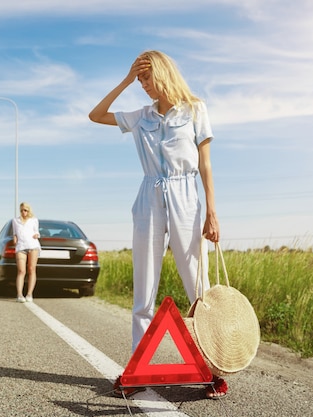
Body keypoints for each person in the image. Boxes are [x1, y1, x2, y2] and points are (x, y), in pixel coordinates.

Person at [88, 50, 225, 399]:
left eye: (147, 78)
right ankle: (137, 370)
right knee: (143, 290)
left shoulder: (195, 110)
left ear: (164, 74)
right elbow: (95, 115)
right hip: (148, 198)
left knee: (198, 288)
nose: (145, 86)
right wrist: (124, 79)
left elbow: (206, 166)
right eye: (140, 80)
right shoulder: (140, 116)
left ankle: (213, 371)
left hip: (186, 199)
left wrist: (211, 211)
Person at [11, 202, 40, 303]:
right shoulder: (15, 221)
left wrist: (37, 235)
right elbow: (15, 233)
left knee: (31, 269)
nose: (24, 212)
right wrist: (14, 238)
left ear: (29, 210)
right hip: (21, 247)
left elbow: (37, 232)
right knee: (21, 271)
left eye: (26, 210)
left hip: (33, 246)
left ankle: (29, 294)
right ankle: (19, 294)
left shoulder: (34, 220)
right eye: (22, 210)